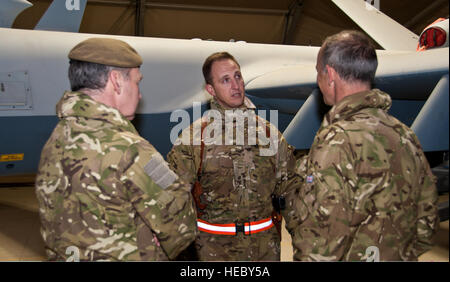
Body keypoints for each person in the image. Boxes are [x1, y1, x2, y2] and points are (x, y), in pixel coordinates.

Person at [35, 38, 197, 261]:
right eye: (137, 82)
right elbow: (182, 226)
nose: (139, 95)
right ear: (116, 81)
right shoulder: (130, 149)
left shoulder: (56, 140)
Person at [293, 30, 439, 261]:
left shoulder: (337, 139)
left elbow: (321, 242)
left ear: (329, 74)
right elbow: (426, 223)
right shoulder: (404, 134)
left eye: (318, 73)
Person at [166, 52, 301, 261]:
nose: (235, 85)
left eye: (238, 76)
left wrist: (306, 248)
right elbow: (172, 198)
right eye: (225, 80)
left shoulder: (269, 135)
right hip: (212, 253)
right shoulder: (194, 139)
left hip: (264, 252)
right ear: (210, 89)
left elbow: (292, 193)